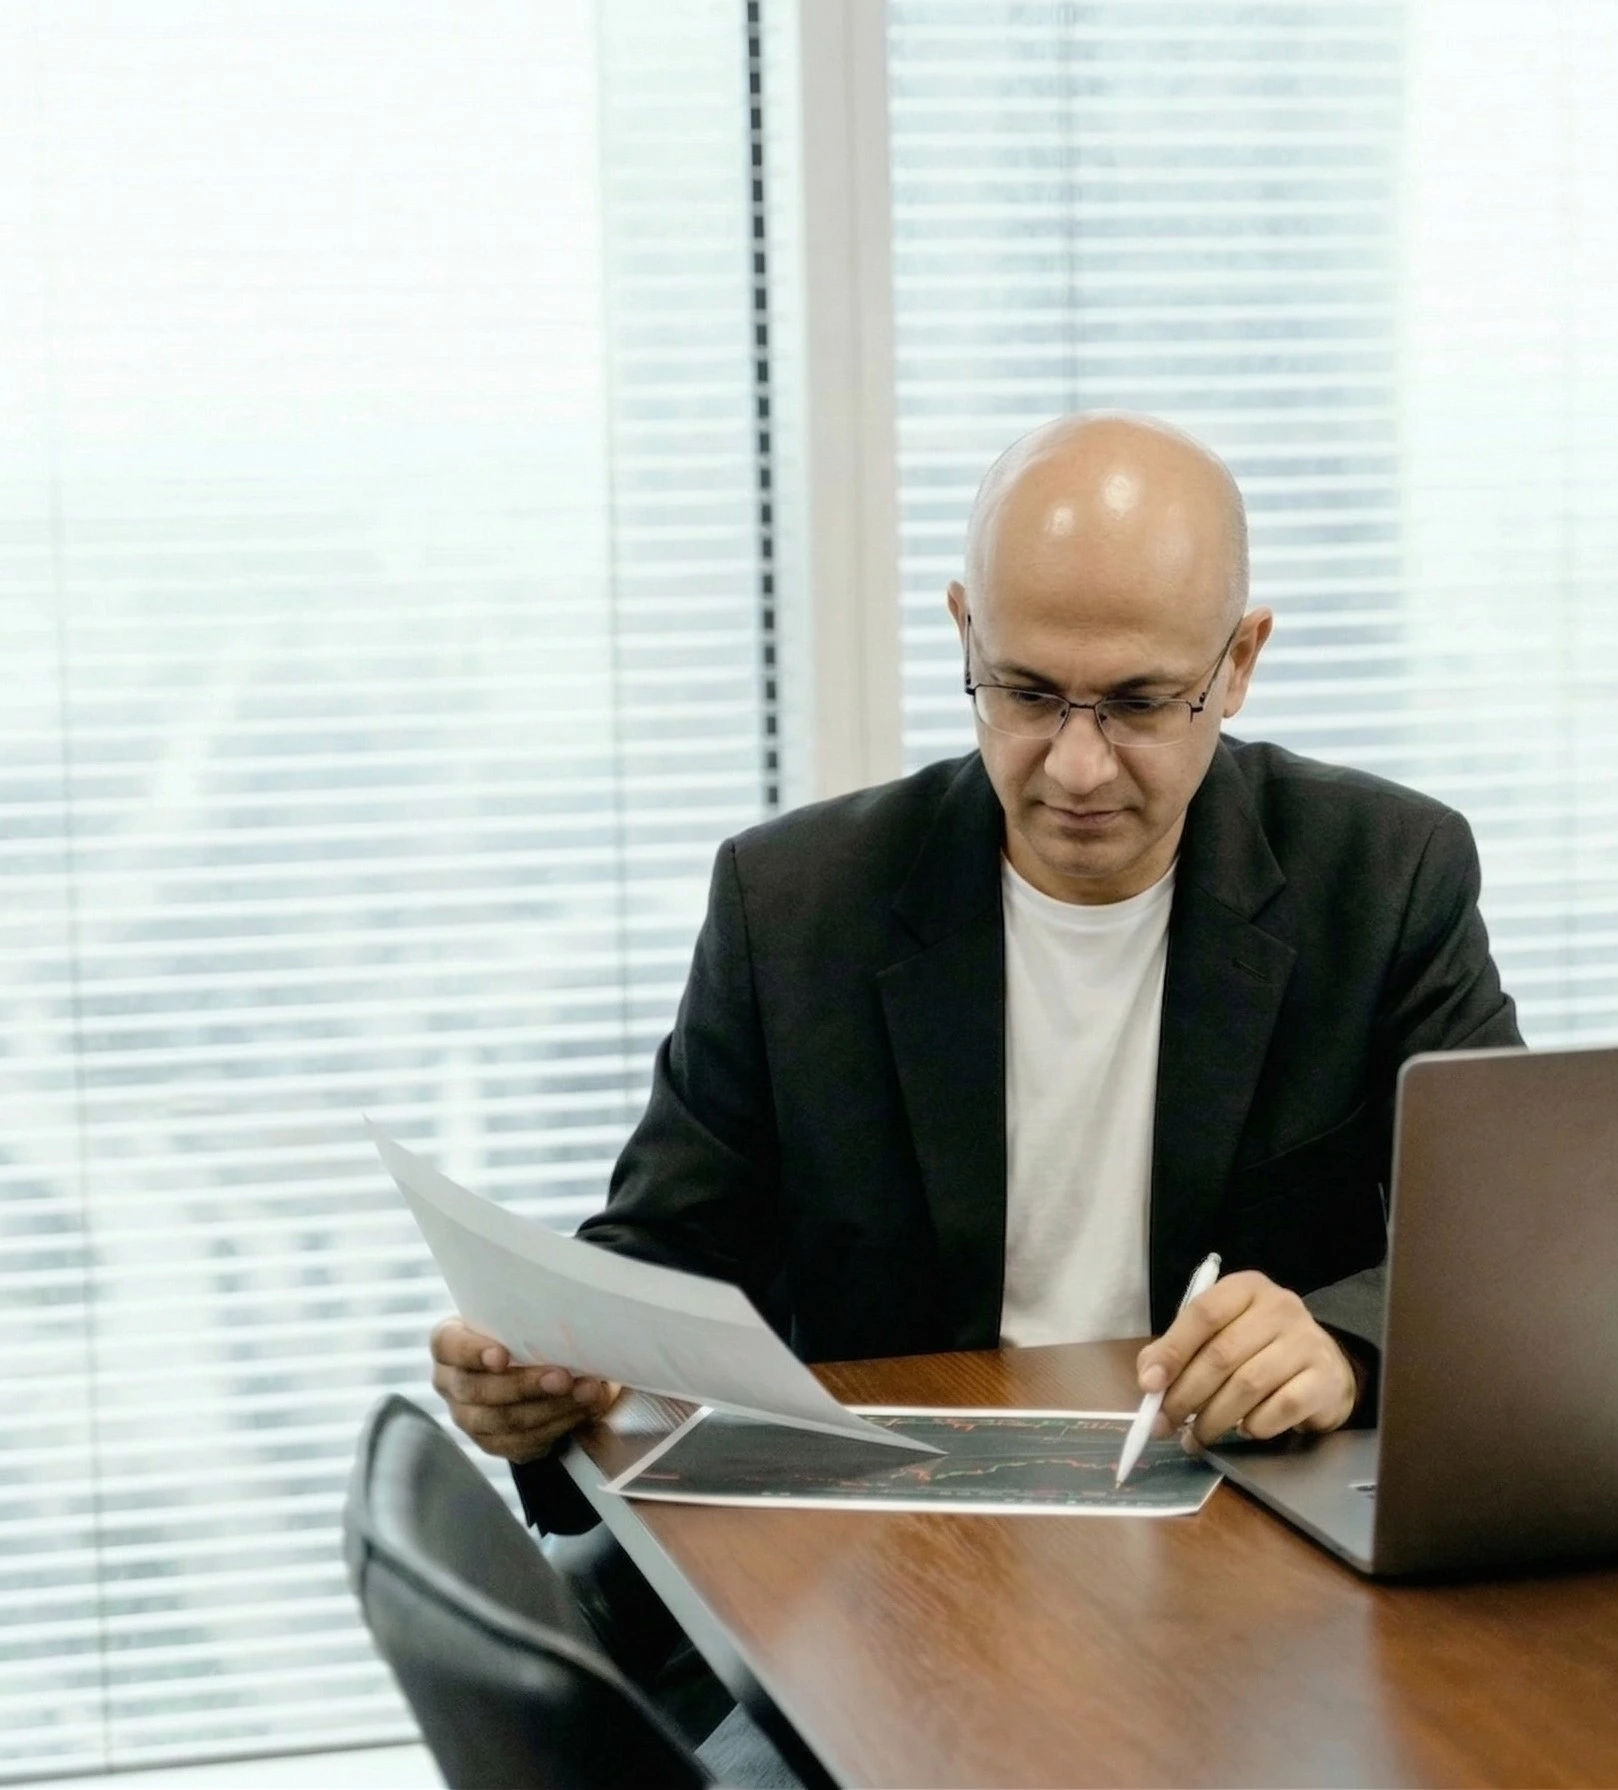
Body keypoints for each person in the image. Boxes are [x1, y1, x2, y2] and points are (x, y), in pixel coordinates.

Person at [424, 411, 1521, 1761]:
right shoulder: (796, 905)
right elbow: (664, 1254)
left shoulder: (1387, 878)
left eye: (1137, 704)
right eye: (1025, 693)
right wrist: (554, 1370)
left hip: (1245, 1587)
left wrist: (1343, 1344)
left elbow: (1511, 1260)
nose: (1075, 764)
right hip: (882, 1589)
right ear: (963, 636)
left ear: (1239, 665)